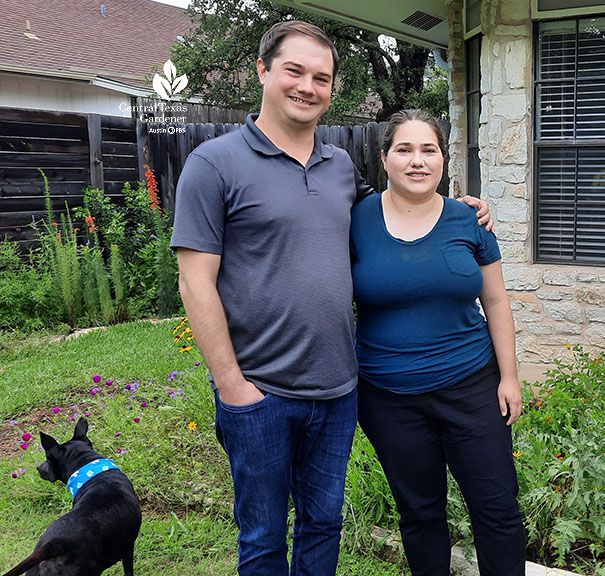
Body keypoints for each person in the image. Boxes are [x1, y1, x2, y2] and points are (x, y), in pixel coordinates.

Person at [170, 22, 490, 576]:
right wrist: (232, 386)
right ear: (263, 71)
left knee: (323, 527)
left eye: (321, 77)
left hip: (339, 390)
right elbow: (194, 280)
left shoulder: (339, 166)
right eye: (294, 71)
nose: (307, 86)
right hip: (259, 391)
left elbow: (395, 211)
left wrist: (458, 210)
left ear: (332, 88)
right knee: (264, 538)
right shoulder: (214, 164)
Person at [351, 109, 526, 576]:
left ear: (444, 160)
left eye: (429, 150)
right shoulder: (353, 220)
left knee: (497, 509)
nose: (417, 161)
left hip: (472, 387)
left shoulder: (469, 220)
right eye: (404, 150)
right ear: (384, 159)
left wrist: (509, 377)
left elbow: (496, 299)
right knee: (420, 513)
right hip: (388, 398)